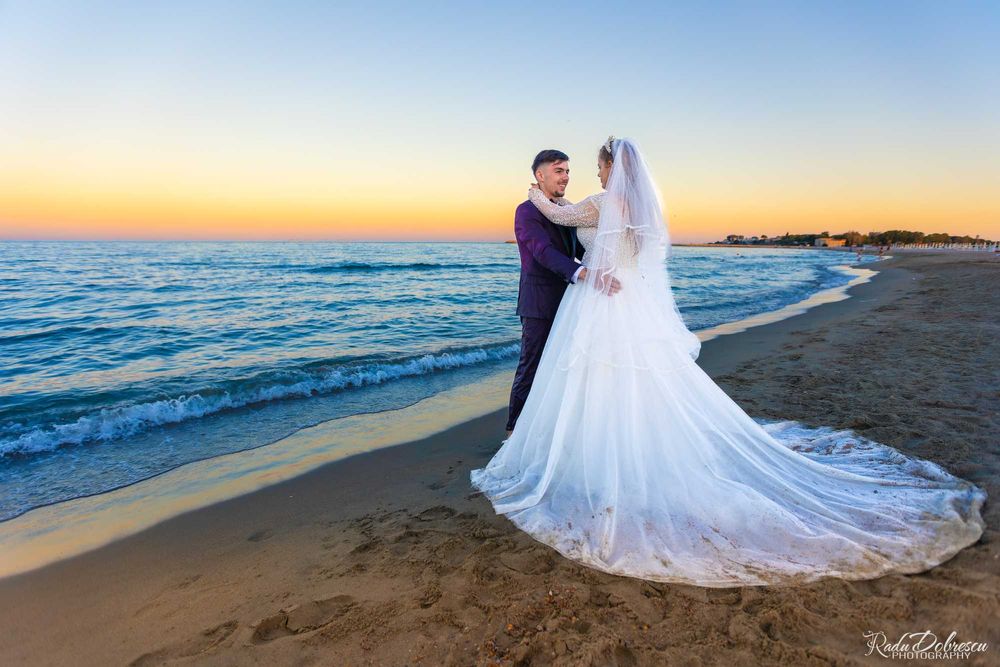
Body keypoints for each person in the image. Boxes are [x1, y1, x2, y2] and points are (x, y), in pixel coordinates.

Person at [471, 136, 985, 587]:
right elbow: (574, 244)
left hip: (599, 299)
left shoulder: (601, 201)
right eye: (562, 170)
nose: (589, 173)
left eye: (594, 166)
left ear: (612, 168)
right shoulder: (636, 208)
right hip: (617, 298)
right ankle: (570, 439)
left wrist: (541, 202)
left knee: (597, 376)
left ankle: (569, 449)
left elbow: (560, 219)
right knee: (619, 378)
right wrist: (562, 234)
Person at [504, 149, 621, 439]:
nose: (566, 176)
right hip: (540, 303)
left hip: (575, 303)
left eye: (568, 171)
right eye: (558, 170)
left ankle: (551, 431)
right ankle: (513, 434)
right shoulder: (527, 211)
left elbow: (585, 249)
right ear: (539, 175)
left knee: (564, 367)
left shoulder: (566, 211)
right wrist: (584, 273)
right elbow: (542, 251)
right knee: (531, 367)